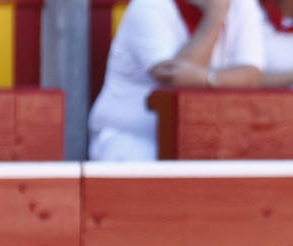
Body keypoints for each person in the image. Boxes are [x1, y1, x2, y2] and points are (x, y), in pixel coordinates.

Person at [88, 0, 266, 161]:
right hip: (132, 139)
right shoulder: (148, 5)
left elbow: (251, 74)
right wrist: (215, 16)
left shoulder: (242, 4)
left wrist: (206, 78)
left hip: (204, 139)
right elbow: (176, 80)